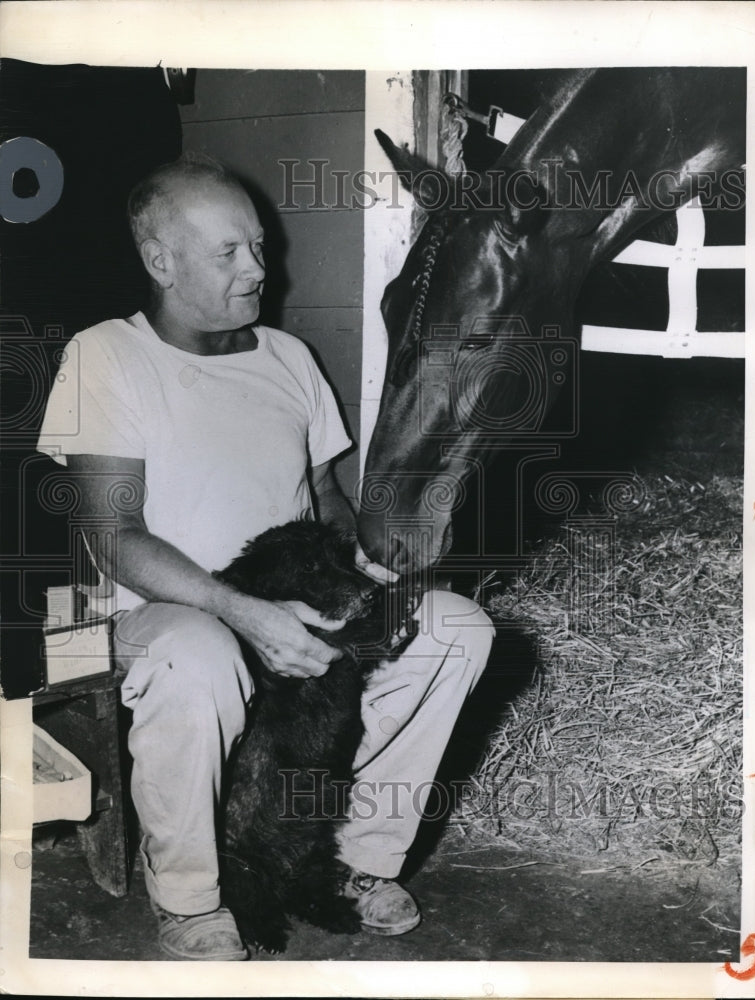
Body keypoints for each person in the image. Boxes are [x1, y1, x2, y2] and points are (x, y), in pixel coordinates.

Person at [38, 154, 495, 961]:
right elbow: (114, 540)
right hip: (161, 616)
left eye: (258, 246)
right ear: (160, 261)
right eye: (229, 253)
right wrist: (244, 612)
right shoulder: (106, 356)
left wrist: (367, 569)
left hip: (292, 599)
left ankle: (355, 857)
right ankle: (191, 897)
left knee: (457, 627)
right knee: (201, 652)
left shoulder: (288, 357)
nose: (258, 268)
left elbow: (325, 502)